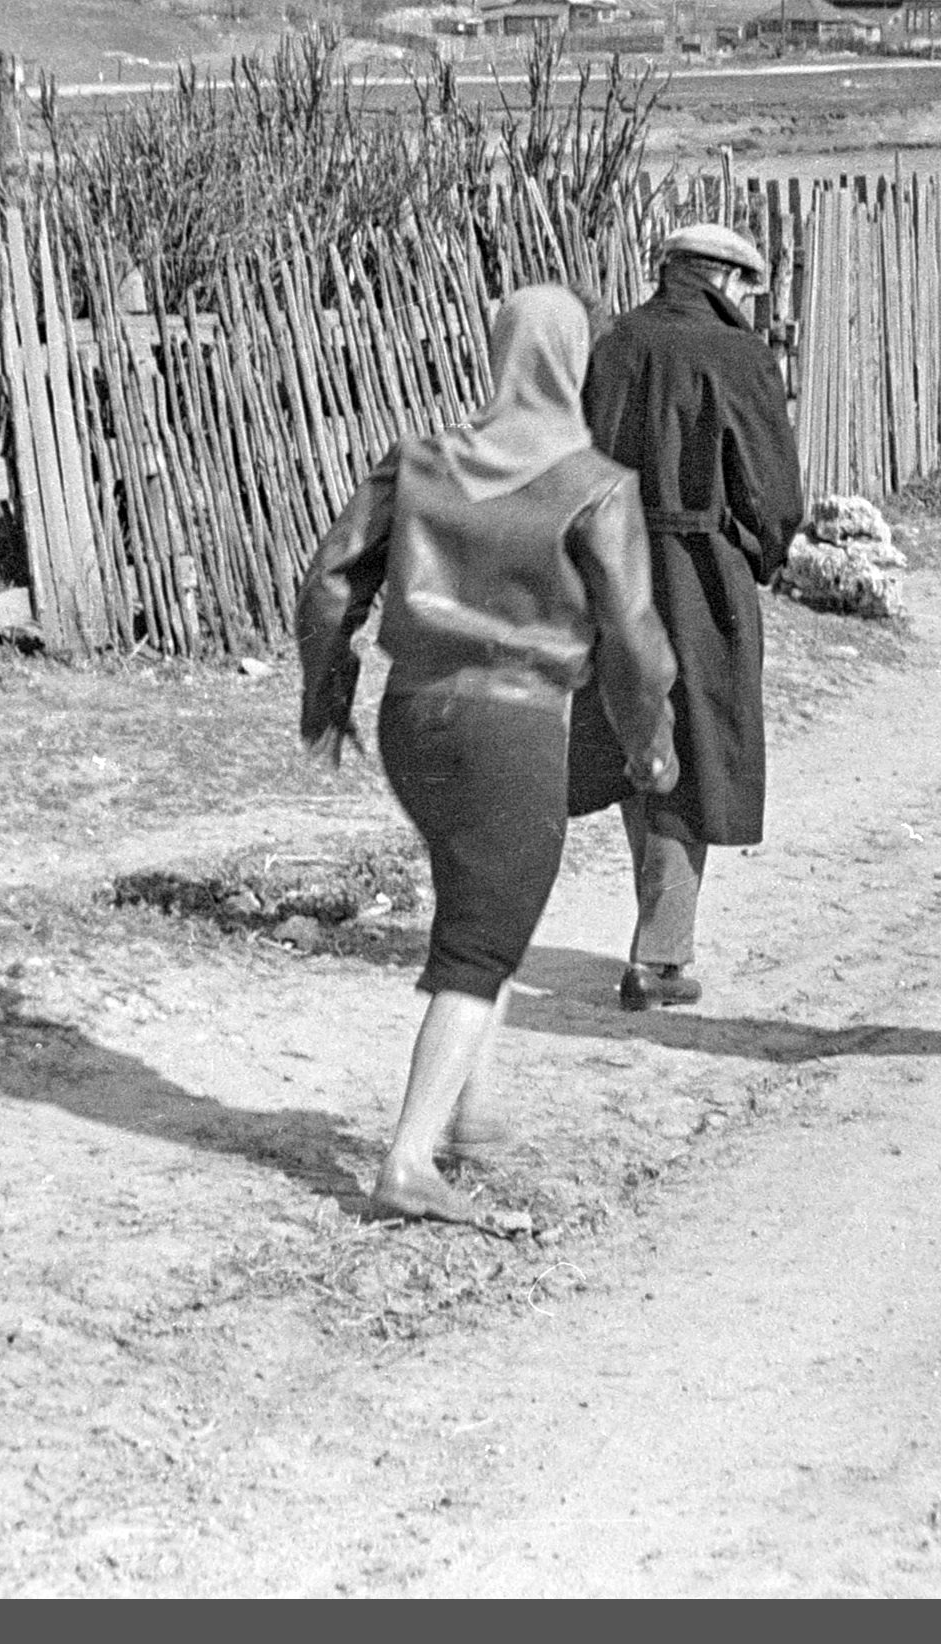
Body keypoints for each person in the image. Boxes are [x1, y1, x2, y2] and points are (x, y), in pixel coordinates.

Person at [298, 286, 678, 1231]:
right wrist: (649, 748)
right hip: (512, 731)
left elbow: (329, 579)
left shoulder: (418, 461)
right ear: (575, 361)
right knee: (478, 943)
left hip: (411, 718)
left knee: (485, 902)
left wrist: (327, 696)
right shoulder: (596, 485)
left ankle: (471, 1111)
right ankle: (408, 1160)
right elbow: (635, 642)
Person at [568, 222, 806, 1011]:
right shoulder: (738, 356)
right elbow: (773, 497)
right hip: (700, 571)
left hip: (612, 564)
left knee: (638, 730)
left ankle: (658, 936)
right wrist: (760, 558)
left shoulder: (612, 345)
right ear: (730, 282)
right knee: (697, 745)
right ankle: (659, 956)